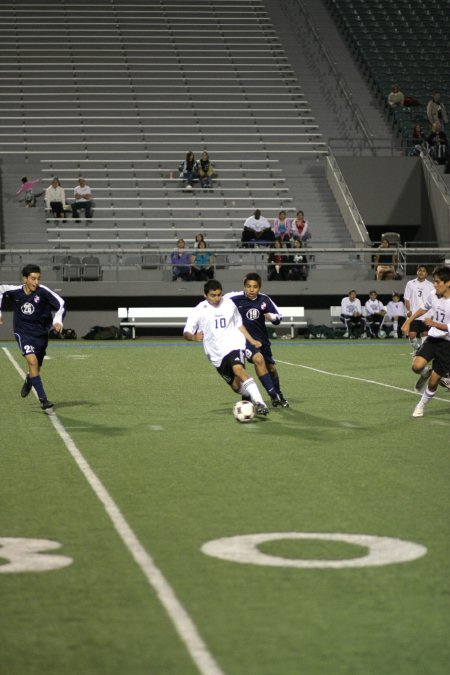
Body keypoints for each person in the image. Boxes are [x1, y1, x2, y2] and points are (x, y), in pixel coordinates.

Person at [183, 279, 269, 415]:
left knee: (239, 370)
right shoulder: (199, 310)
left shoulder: (228, 304)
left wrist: (251, 340)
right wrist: (193, 337)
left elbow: (238, 324)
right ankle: (249, 397)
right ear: (205, 295)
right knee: (236, 386)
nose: (217, 298)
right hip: (216, 354)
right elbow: (186, 332)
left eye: (219, 295)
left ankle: (260, 403)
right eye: (213, 295)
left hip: (234, 344)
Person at [0, 263, 65, 412]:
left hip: (41, 334)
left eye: (38, 278)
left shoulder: (43, 292)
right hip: (23, 332)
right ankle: (43, 400)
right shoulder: (15, 292)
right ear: (25, 279)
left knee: (36, 366)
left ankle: (30, 379)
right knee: (32, 360)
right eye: (33, 278)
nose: (36, 282)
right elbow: (0, 290)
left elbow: (61, 303)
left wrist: (57, 320)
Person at [225, 272, 289, 407]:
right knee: (256, 360)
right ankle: (271, 395)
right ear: (244, 286)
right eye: (248, 286)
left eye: (254, 287)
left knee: (271, 368)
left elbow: (278, 317)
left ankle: (277, 394)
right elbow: (216, 304)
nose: (251, 290)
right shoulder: (233, 298)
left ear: (259, 288)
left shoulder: (264, 300)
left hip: (262, 340)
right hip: (242, 340)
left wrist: (270, 316)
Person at [401, 265, 450, 416]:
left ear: (448, 283)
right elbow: (423, 308)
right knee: (416, 366)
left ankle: (421, 405)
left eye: (437, 282)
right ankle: (427, 371)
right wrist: (409, 321)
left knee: (434, 382)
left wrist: (434, 323)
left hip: (447, 344)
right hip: (433, 339)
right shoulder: (433, 295)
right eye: (434, 282)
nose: (434, 285)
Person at [404, 264, 434, 352]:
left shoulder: (430, 285)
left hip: (426, 315)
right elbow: (406, 298)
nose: (421, 272)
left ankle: (422, 353)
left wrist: (432, 314)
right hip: (414, 315)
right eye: (419, 270)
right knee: (411, 335)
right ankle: (417, 349)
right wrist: (408, 310)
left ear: (427, 273)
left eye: (423, 271)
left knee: (425, 334)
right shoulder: (410, 283)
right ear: (417, 272)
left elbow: (432, 301)